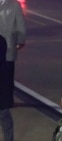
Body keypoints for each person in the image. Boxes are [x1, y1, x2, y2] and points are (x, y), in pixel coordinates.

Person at [0, 1, 26, 141]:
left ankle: (7, 99)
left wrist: (20, 40)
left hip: (8, 47)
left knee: (8, 76)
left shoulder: (14, 5)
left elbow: (20, 24)